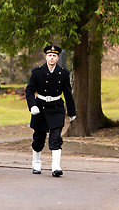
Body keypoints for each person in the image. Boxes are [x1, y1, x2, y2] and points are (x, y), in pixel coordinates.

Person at [25, 45, 76, 177]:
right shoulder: (37, 72)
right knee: (38, 138)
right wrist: (32, 106)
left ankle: (56, 167)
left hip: (56, 108)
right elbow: (29, 90)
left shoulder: (63, 73)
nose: (51, 58)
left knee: (56, 137)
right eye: (49, 55)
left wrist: (72, 113)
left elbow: (68, 94)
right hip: (40, 108)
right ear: (46, 57)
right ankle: (36, 162)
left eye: (54, 56)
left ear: (58, 58)